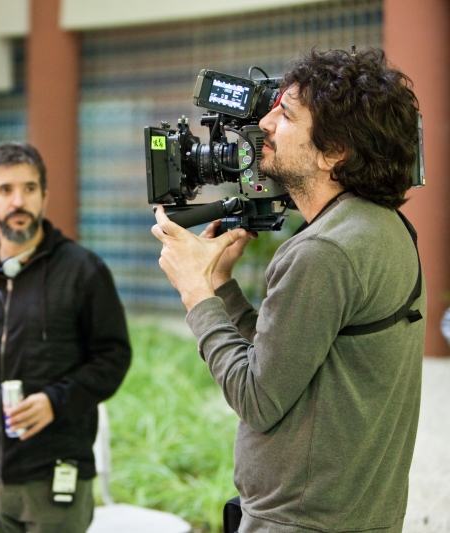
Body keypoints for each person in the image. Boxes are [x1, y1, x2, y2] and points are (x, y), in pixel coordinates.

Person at [152, 48, 425, 533]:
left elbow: (257, 398)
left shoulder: (322, 252)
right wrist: (222, 286)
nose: (266, 124)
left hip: (301, 522)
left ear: (334, 151)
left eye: (286, 113)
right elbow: (288, 359)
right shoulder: (385, 227)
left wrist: (196, 292)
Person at [0, 142, 131, 532]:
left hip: (54, 480)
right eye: (6, 190)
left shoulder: (84, 271)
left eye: (30, 189)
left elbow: (113, 358)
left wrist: (55, 400)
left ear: (44, 196)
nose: (19, 201)